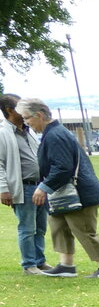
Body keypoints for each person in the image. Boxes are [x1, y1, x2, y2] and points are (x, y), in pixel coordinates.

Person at [17, 97, 99, 278]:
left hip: (80, 193)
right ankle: (66, 265)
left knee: (84, 230)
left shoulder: (55, 135)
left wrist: (43, 187)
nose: (26, 123)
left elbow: (63, 167)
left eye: (26, 118)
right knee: (58, 225)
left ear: (39, 115)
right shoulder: (53, 132)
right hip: (67, 193)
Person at [0, 93, 50, 274]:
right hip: (23, 186)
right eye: (19, 108)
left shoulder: (29, 131)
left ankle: (40, 261)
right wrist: (4, 189)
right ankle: (29, 264)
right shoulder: (3, 133)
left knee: (40, 227)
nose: (24, 112)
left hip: (40, 186)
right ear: (9, 110)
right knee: (27, 228)